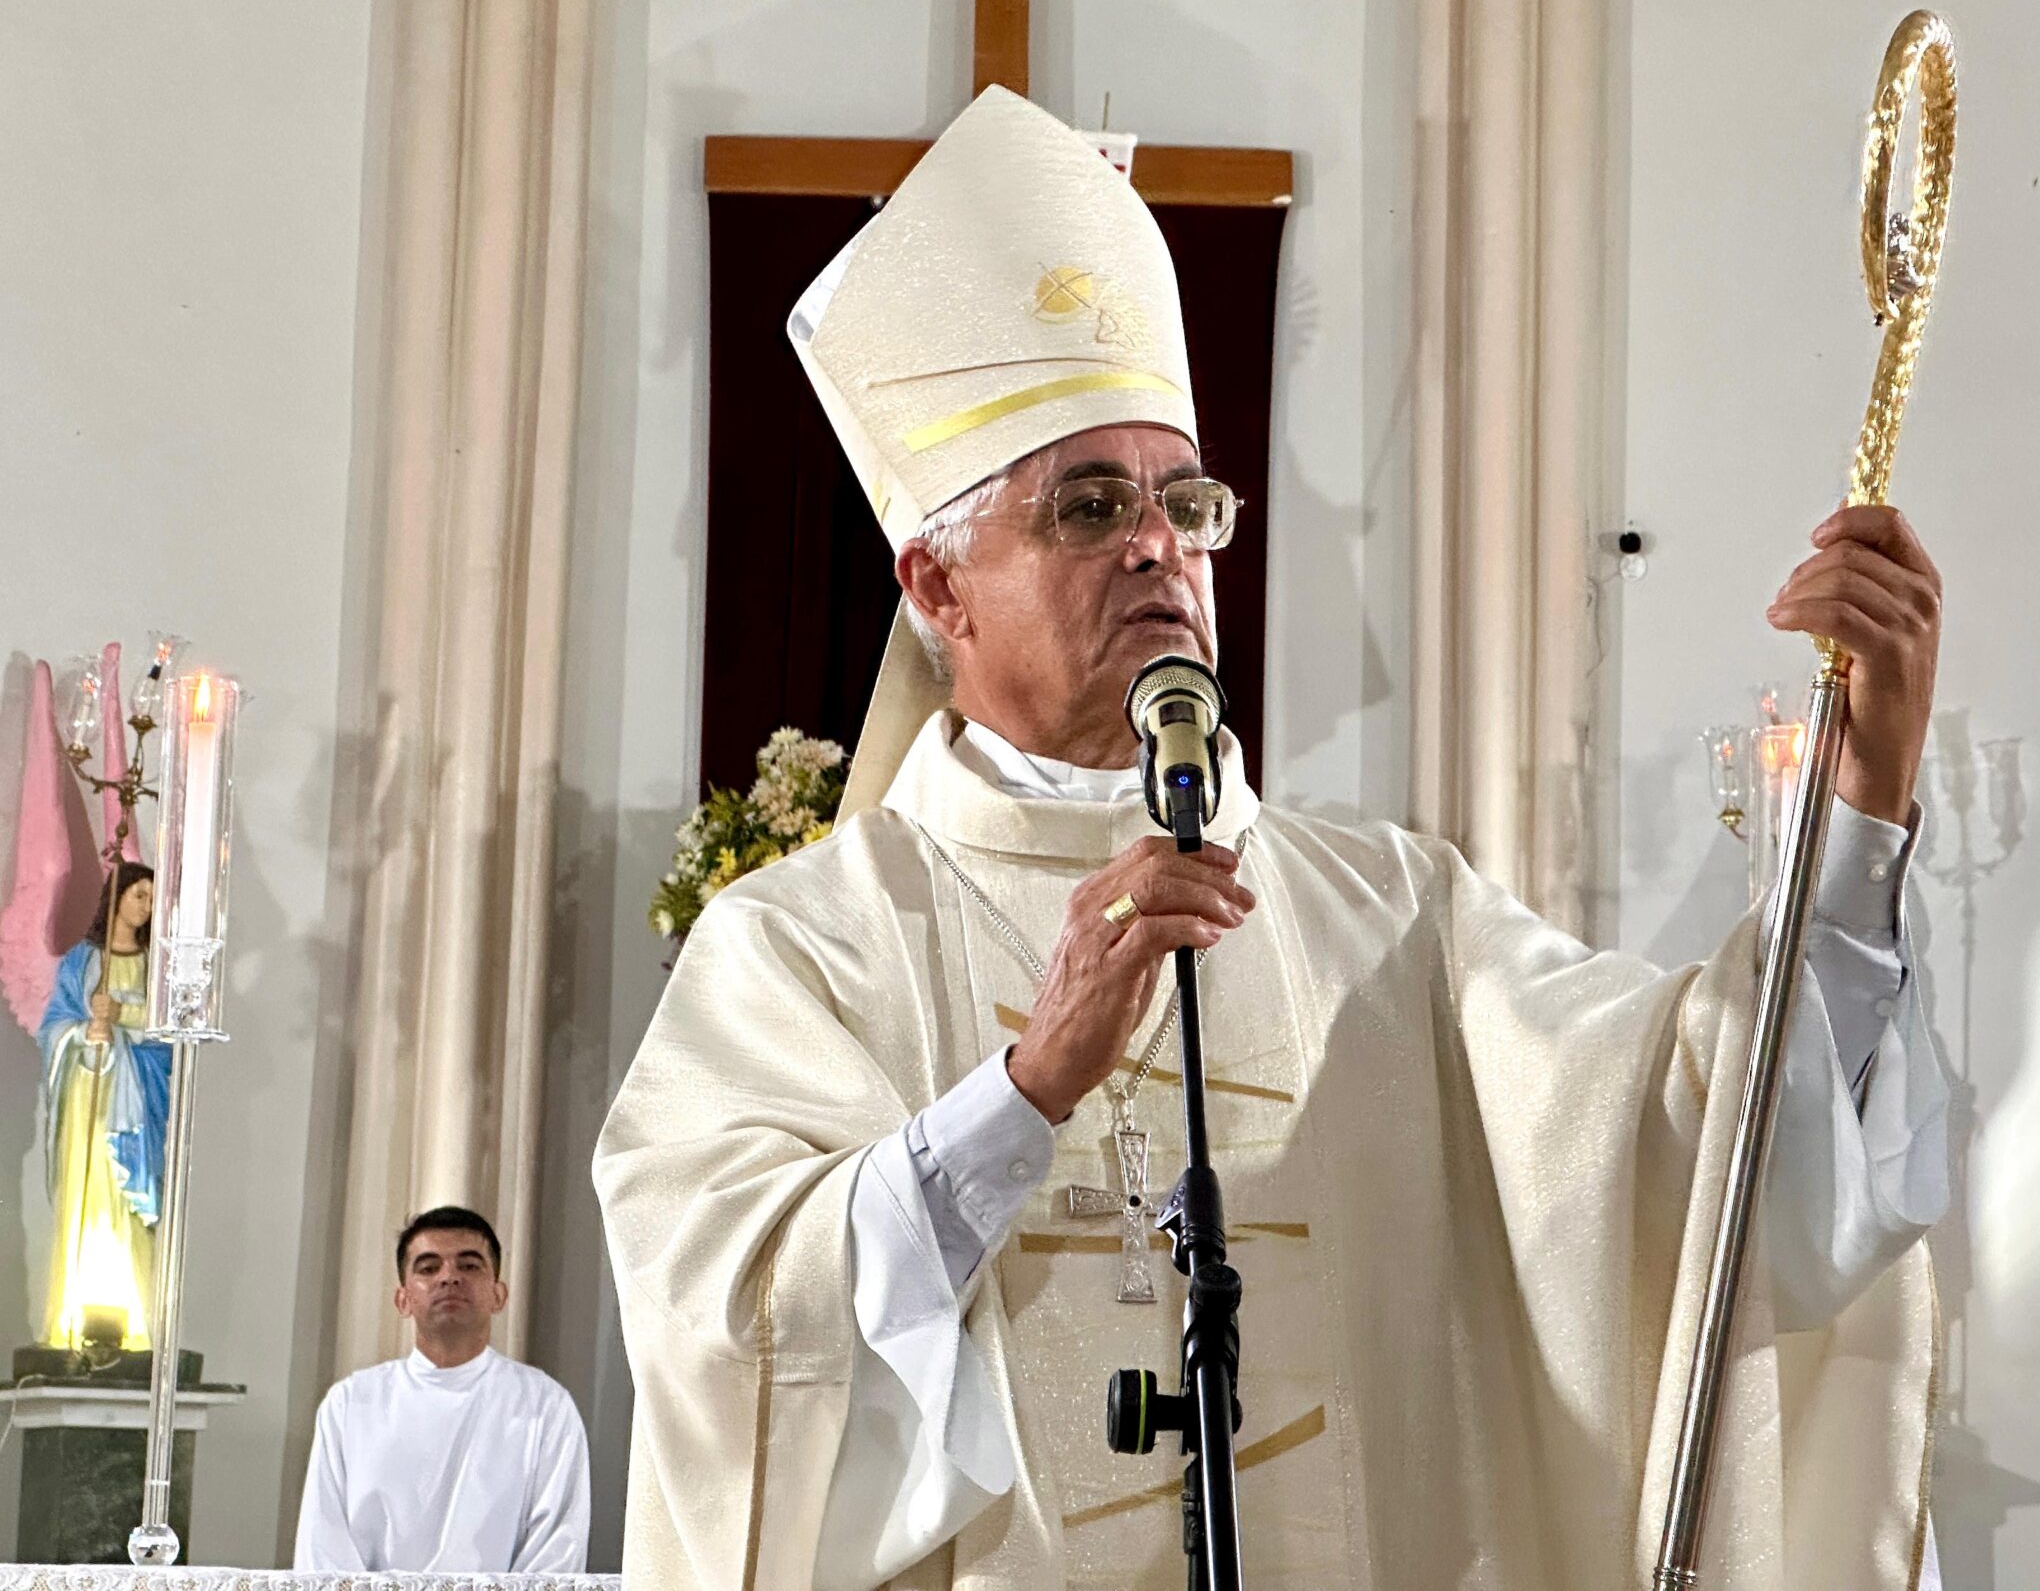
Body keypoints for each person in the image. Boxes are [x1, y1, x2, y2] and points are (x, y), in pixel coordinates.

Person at [597, 87, 1950, 1590]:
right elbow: (729, 1327)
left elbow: (1704, 1153)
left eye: (1185, 504)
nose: (1157, 545)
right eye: (1088, 506)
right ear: (938, 588)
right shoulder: (802, 947)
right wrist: (1023, 1094)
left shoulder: (1396, 918)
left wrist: (1861, 805)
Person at [295, 1206, 590, 1574]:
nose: (449, 1277)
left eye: (469, 1265)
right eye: (428, 1268)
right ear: (402, 1299)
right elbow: (323, 1547)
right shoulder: (351, 1403)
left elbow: (557, 1551)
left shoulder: (545, 1406)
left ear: (499, 1295)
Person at [39, 859, 165, 1349]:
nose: (146, 906)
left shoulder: (157, 969)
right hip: (88, 1097)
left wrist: (125, 1014)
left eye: (152, 898)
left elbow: (169, 1036)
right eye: (138, 895)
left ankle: (135, 1331)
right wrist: (82, 1034)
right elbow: (53, 1027)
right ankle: (69, 1326)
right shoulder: (82, 962)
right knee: (86, 1197)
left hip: (137, 1104)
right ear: (116, 898)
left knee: (126, 1204)